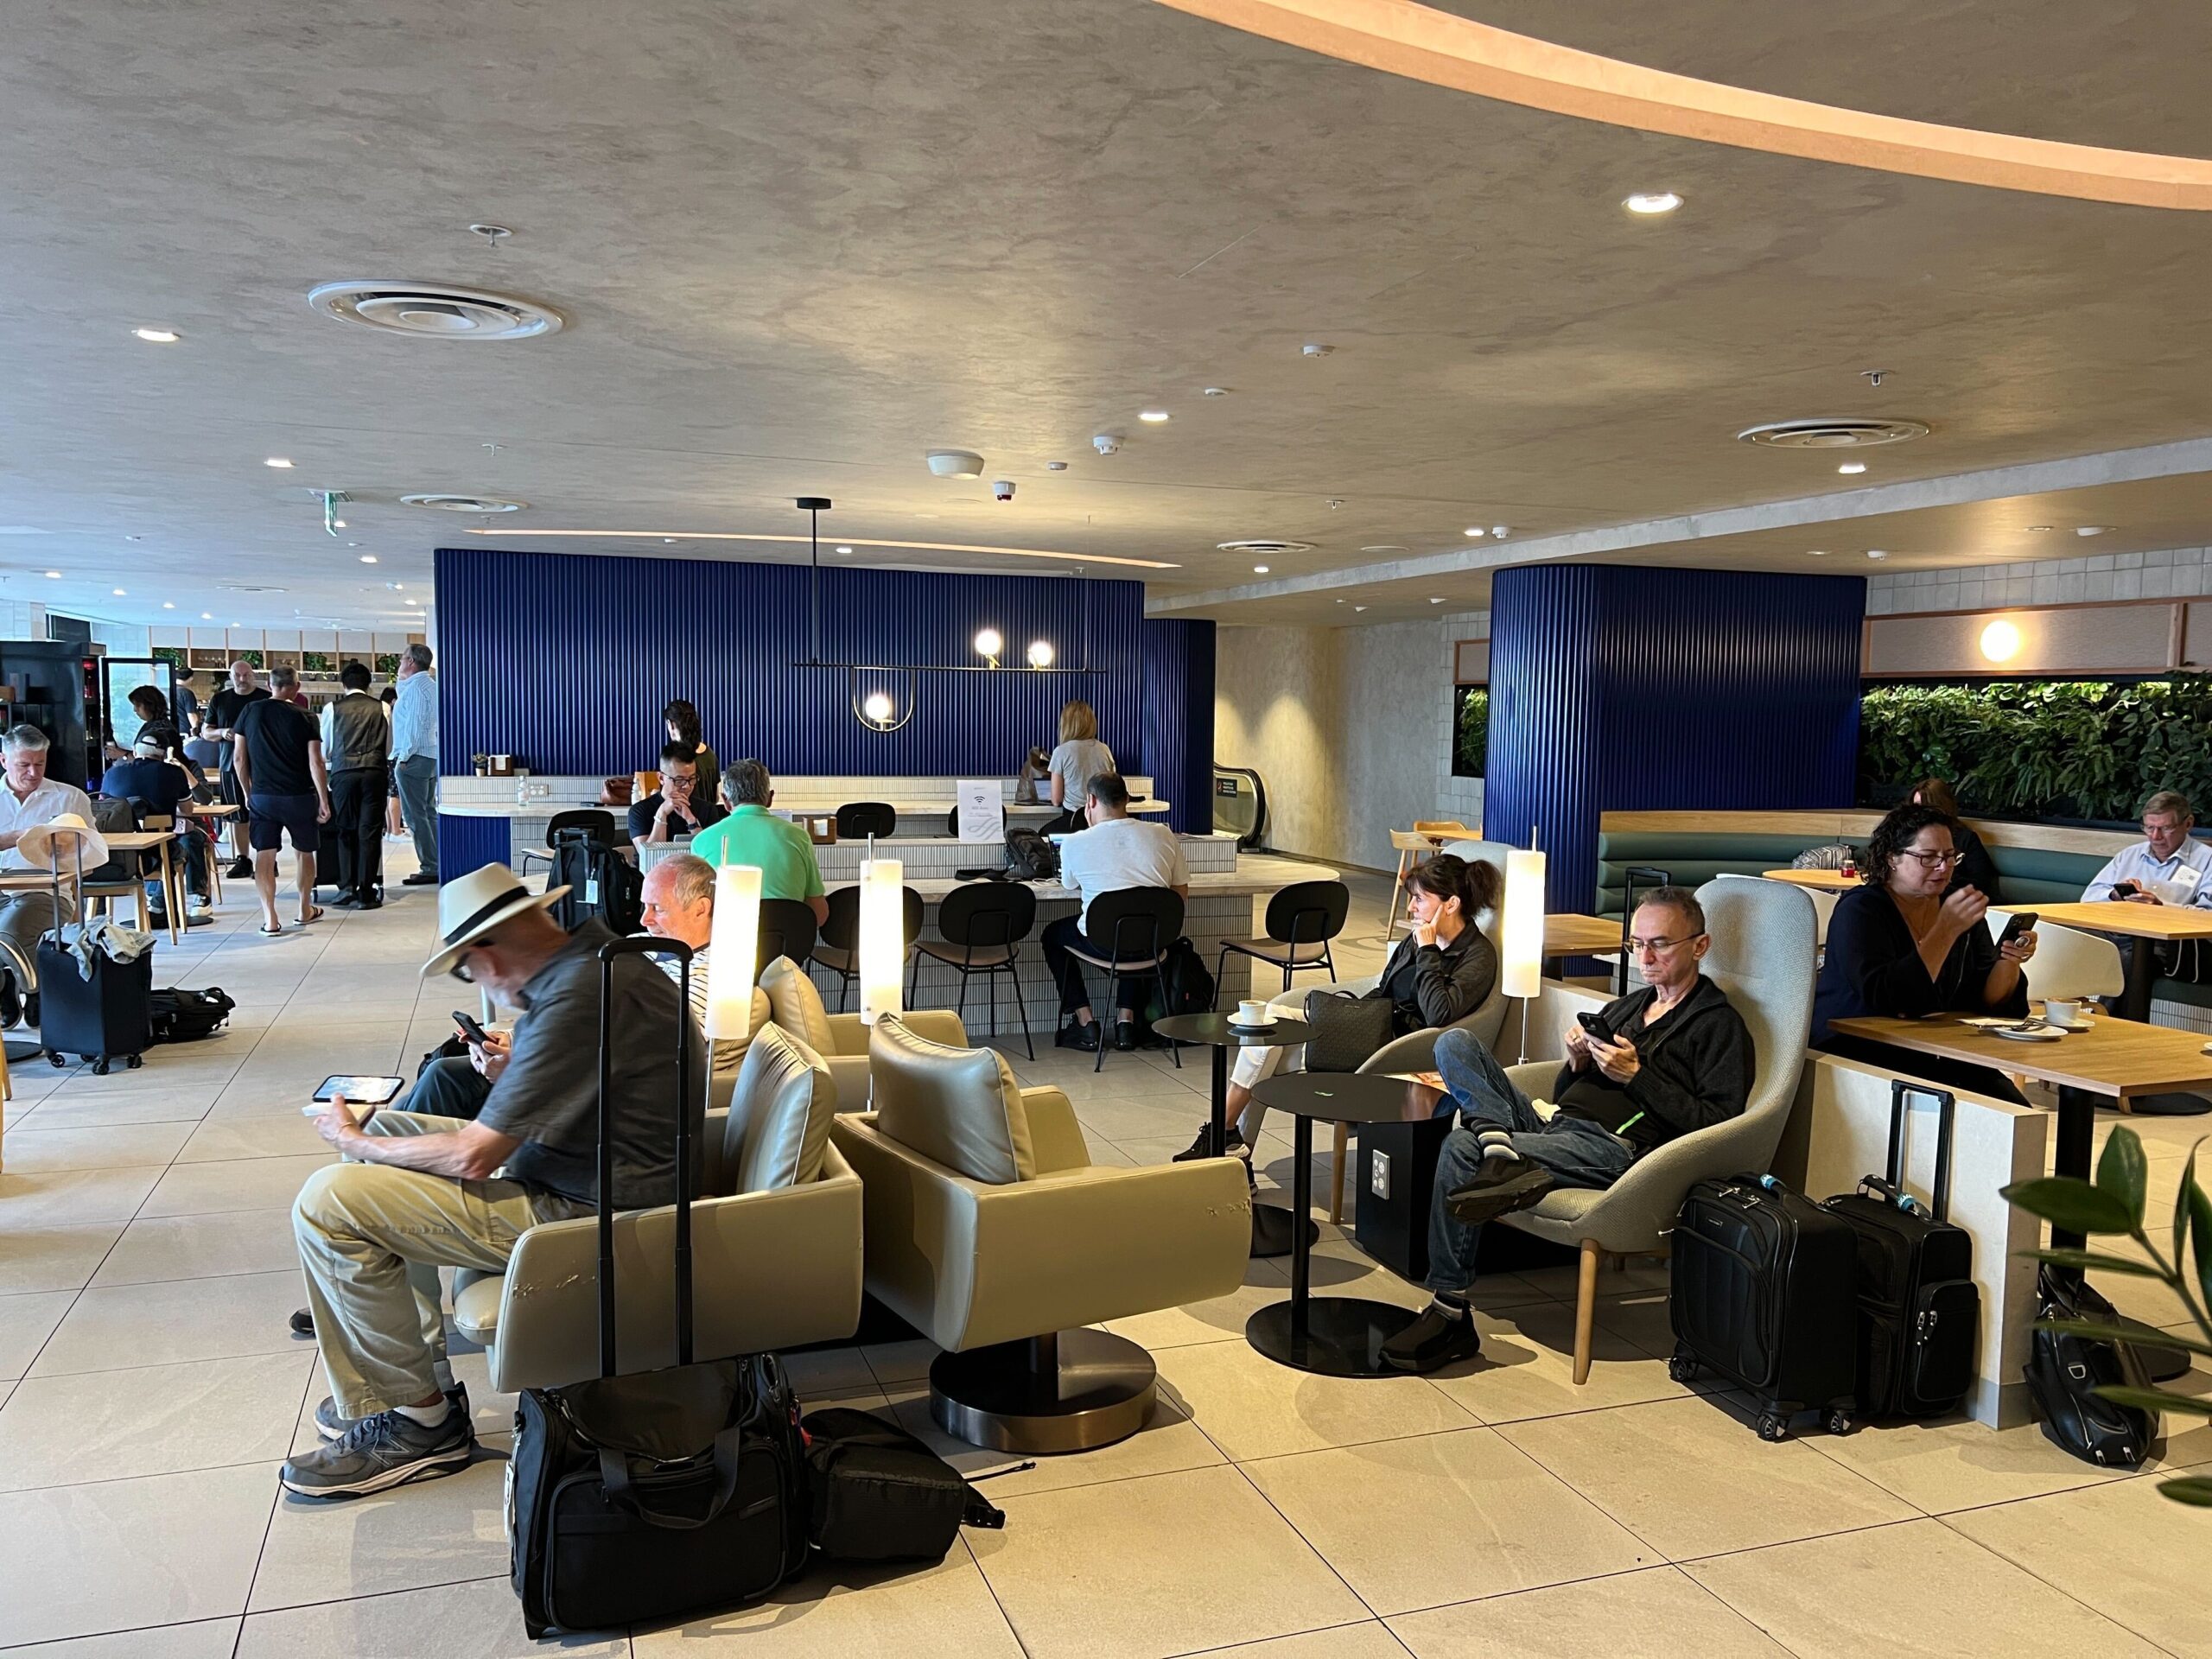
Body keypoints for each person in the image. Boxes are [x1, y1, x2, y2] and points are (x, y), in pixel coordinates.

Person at [280, 863, 704, 1497]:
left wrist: (351, 1138)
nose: (473, 979)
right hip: (589, 1182)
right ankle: (412, 1388)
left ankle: (420, 1425)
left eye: (464, 965)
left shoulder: (580, 994)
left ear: (487, 951)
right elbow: (593, 1095)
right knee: (392, 1136)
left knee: (327, 1200)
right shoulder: (594, 965)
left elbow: (475, 1156)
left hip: (592, 1216)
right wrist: (510, 1071)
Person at [1381, 886, 1757, 1373]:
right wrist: (1577, 1065)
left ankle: (1449, 1311)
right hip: (1556, 1123)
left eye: (1659, 943)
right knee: (1455, 1044)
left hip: (1617, 1148)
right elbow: (1568, 1092)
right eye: (1636, 943)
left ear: (1699, 946)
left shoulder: (1717, 1027)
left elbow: (1718, 1125)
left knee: (1459, 1143)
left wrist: (1637, 1076)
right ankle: (1500, 1151)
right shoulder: (1630, 1005)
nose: (1645, 956)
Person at [1175, 854, 1501, 1162]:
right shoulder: (1416, 939)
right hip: (1369, 1027)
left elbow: (1439, 1015)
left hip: (1393, 1047)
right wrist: (1349, 1016)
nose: (1411, 908)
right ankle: (1228, 1141)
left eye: (1420, 899)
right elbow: (1384, 988)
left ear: (1451, 905)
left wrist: (1428, 950)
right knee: (1267, 1027)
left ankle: (1224, 1138)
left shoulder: (1476, 956)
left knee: (1266, 1047)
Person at [1814, 801, 2037, 1103]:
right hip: (1856, 1048)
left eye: (1949, 857)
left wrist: (2009, 962)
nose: (1943, 868)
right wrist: (1944, 930)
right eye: (1929, 858)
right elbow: (1888, 998)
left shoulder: (1956, 906)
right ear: (1892, 857)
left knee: (2012, 1109)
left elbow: (1987, 1000)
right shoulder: (1862, 909)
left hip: (1934, 1048)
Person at [1039, 772, 1188, 1052]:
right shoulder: (1163, 834)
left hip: (1102, 943)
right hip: (1154, 943)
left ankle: (1085, 1022)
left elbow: (1070, 883)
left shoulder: (1075, 842)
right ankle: (1126, 1023)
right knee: (1137, 930)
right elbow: (1180, 895)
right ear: (1127, 799)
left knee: (1052, 935)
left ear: (1091, 801)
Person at [638, 853, 747, 1104]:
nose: (644, 920)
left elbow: (656, 1049)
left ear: (701, 908)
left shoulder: (712, 976)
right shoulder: (640, 944)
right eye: (645, 906)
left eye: (658, 908)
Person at [232, 669, 332, 935]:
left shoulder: (250, 711)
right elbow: (316, 762)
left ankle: (271, 918)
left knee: (265, 855)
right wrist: (324, 798)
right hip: (299, 796)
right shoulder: (307, 716)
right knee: (304, 852)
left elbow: (239, 759)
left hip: (263, 797)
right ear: (296, 687)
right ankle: (304, 909)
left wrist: (247, 792)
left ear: (270, 685)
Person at [0, 726, 96, 995]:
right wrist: (18, 837)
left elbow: (90, 856)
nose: (33, 773)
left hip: (45, 891)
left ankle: (33, 990)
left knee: (9, 933)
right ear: (3, 761)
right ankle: (9, 983)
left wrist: (64, 851)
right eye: (24, 765)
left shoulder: (69, 798)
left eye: (39, 764)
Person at [688, 758, 828, 924]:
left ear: (725, 801)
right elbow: (819, 915)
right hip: (788, 946)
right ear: (769, 798)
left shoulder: (702, 841)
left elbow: (698, 913)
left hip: (728, 944)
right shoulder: (798, 837)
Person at [100, 731, 214, 922]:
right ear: (164, 753)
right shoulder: (173, 772)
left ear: (136, 751)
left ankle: (157, 903)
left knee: (181, 841)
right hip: (158, 854)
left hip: (118, 857)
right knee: (183, 843)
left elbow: (105, 807)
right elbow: (187, 810)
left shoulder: (112, 774)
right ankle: (195, 897)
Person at [321, 659, 391, 909]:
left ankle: (346, 888)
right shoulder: (382, 707)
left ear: (343, 683)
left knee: (345, 830)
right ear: (369, 684)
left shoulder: (332, 709)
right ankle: (365, 892)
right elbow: (389, 747)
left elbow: (325, 748)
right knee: (369, 832)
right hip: (374, 772)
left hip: (343, 774)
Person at [202, 659, 270, 880]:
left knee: (264, 813)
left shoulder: (264, 698)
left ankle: (268, 857)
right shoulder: (220, 700)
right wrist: (223, 733)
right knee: (237, 814)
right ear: (231, 677)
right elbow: (206, 732)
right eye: (237, 675)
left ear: (253, 675)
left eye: (246, 675)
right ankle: (243, 859)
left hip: (262, 764)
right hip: (229, 763)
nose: (242, 679)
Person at [391, 643, 440, 886]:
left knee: (416, 815)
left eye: (402, 658)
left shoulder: (419, 688)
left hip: (415, 758)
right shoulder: (425, 686)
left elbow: (415, 725)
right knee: (428, 813)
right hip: (429, 756)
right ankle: (435, 862)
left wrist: (404, 757)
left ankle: (430, 866)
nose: (399, 663)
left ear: (411, 661)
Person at [1910, 778, 2000, 904]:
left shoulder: (1965, 838)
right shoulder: (1907, 838)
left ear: (1943, 807)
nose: (1919, 814)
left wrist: (1945, 882)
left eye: (1926, 807)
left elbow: (1981, 883)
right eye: (1916, 807)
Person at [629, 740, 727, 849]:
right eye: (679, 780)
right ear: (661, 778)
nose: (687, 786)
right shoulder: (640, 810)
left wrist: (691, 821)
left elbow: (710, 852)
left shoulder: (707, 809)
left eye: (692, 779)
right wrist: (662, 814)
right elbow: (648, 857)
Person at [1047, 700, 1115, 823]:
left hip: (1073, 822)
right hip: (1100, 821)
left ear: (1066, 725)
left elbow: (1056, 800)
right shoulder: (1105, 750)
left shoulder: (1061, 752)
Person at [664, 697, 719, 812]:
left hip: (684, 821)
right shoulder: (709, 754)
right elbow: (716, 796)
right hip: (709, 820)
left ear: (670, 724)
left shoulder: (674, 758)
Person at [381, 686, 404, 838]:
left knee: (388, 793)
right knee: (396, 793)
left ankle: (390, 829)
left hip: (383, 756)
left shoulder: (380, 712)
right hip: (394, 755)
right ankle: (395, 830)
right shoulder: (394, 712)